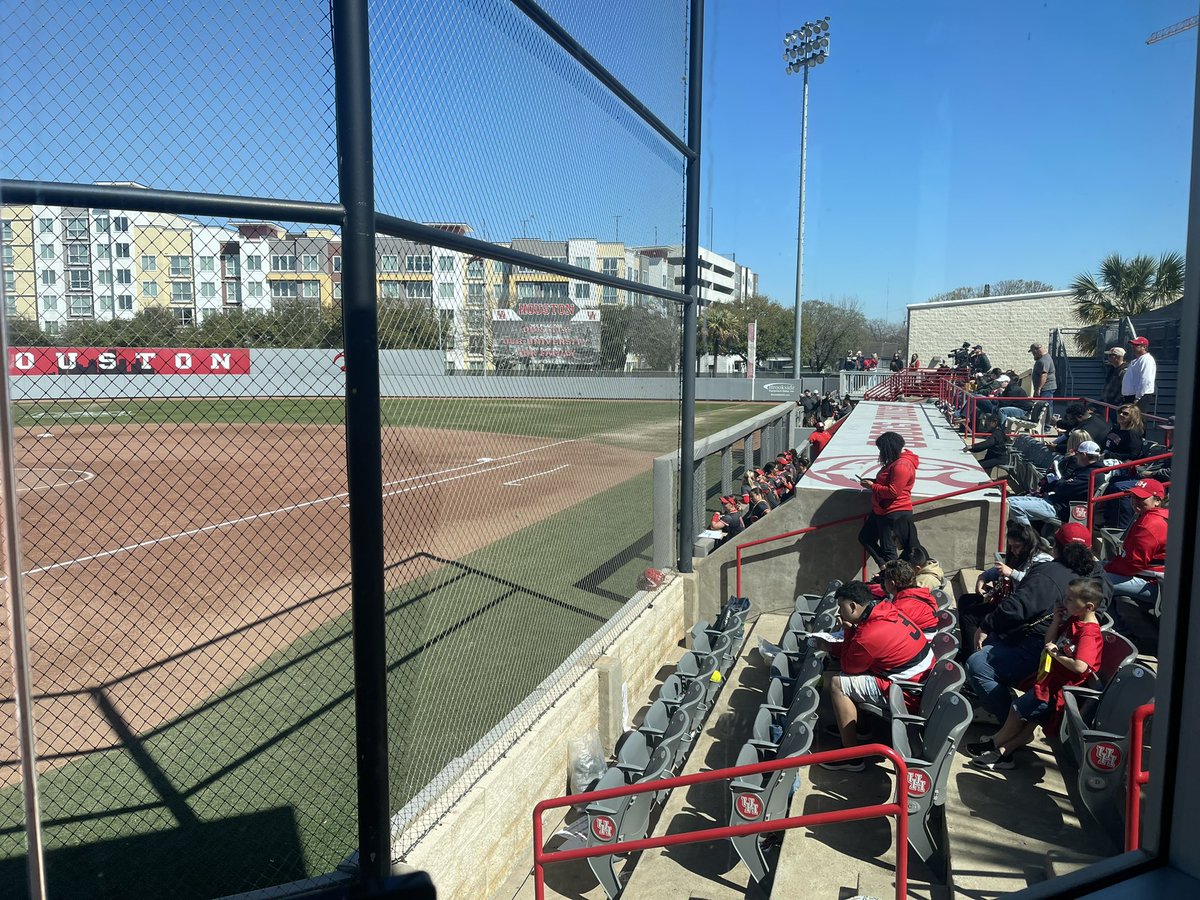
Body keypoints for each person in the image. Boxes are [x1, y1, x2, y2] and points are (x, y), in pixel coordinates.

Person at [965, 523, 1110, 724]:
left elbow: (1017, 607)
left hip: (1049, 655)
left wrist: (986, 626)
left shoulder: (1050, 571)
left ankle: (1007, 720)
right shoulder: (1101, 580)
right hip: (1063, 650)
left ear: (1057, 547)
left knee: (978, 663)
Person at [967, 577, 1104, 770]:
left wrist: (1057, 656)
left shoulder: (1089, 633)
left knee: (1018, 709)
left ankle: (995, 744)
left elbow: (1081, 666)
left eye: (1071, 599)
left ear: (1089, 606)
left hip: (1059, 690)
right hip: (1049, 679)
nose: (1066, 602)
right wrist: (1056, 622)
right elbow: (1050, 642)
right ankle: (1003, 755)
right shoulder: (1075, 620)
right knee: (1030, 720)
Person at [819, 581, 934, 772]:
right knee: (860, 672)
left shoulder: (869, 634)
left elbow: (849, 666)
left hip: (907, 693)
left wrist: (847, 631)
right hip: (918, 679)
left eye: (841, 607)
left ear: (853, 606)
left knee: (838, 683)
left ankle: (850, 756)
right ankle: (860, 729)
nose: (839, 612)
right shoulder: (885, 609)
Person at [956, 523, 1053, 657]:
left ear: (1028, 544)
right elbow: (999, 569)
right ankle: (968, 647)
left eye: (1017, 546)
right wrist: (983, 577)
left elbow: (1032, 585)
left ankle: (971, 655)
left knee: (969, 616)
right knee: (966, 600)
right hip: (1005, 598)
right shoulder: (1018, 555)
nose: (1013, 550)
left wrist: (1012, 573)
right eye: (1011, 546)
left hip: (1019, 609)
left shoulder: (1042, 561)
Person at [1005, 440, 1105, 528]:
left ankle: (1028, 540)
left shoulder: (1093, 475)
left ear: (1084, 455)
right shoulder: (1085, 470)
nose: (1075, 456)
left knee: (1013, 505)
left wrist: (1058, 479)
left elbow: (1064, 489)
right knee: (1008, 501)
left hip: (1062, 509)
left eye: (1077, 454)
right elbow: (1063, 486)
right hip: (1055, 501)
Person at [857, 431, 921, 566]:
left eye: (881, 450)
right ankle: (885, 567)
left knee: (889, 550)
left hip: (893, 513)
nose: (881, 454)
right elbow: (890, 482)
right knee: (865, 537)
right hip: (882, 511)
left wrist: (873, 486)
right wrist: (874, 482)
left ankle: (892, 576)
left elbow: (893, 492)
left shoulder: (902, 465)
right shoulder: (897, 461)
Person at [1104, 478, 1168, 609]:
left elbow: (1132, 564)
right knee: (1093, 569)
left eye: (1141, 497)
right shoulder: (1159, 515)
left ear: (1157, 501)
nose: (1134, 501)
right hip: (1150, 577)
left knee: (1094, 582)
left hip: (1154, 584)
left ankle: (1117, 628)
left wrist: (1104, 569)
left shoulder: (1150, 524)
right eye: (1133, 496)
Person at [877, 559, 939, 636]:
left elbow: (889, 631)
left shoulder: (900, 607)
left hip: (924, 637)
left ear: (892, 583)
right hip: (930, 632)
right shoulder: (921, 593)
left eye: (885, 579)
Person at [1122, 336, 1157, 413]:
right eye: (1133, 345)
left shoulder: (1147, 359)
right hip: (1130, 395)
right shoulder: (1135, 360)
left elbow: (1145, 379)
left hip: (1140, 396)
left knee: (1137, 419)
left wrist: (1138, 397)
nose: (1133, 347)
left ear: (1144, 347)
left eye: (1137, 345)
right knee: (1129, 420)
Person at [1030, 343, 1058, 418]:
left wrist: (1039, 388)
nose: (1033, 354)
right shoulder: (1043, 358)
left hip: (1046, 388)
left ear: (1036, 350)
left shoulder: (1044, 360)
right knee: (1040, 406)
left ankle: (1046, 426)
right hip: (1044, 388)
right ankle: (1041, 423)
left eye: (1033, 352)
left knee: (1045, 407)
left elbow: (1044, 375)